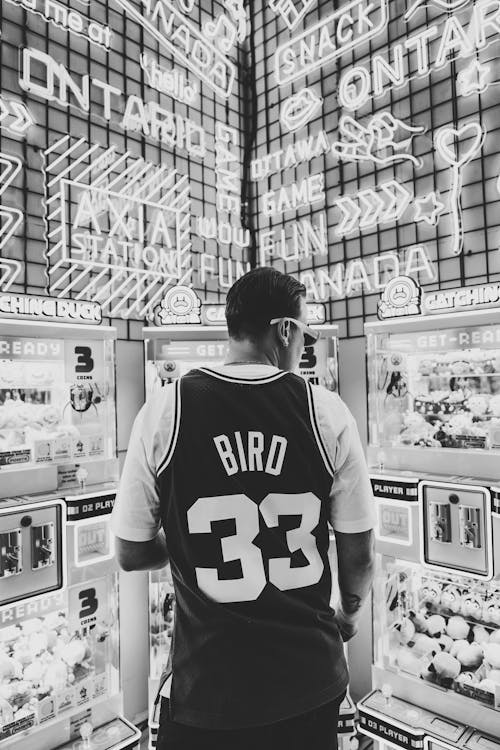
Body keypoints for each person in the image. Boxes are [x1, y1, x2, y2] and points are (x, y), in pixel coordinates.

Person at [111, 267, 375, 750]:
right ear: (285, 330)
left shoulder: (164, 411)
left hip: (207, 688)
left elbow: (130, 551)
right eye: (304, 333)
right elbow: (358, 552)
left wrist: (192, 544)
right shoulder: (327, 411)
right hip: (308, 681)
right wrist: (350, 615)